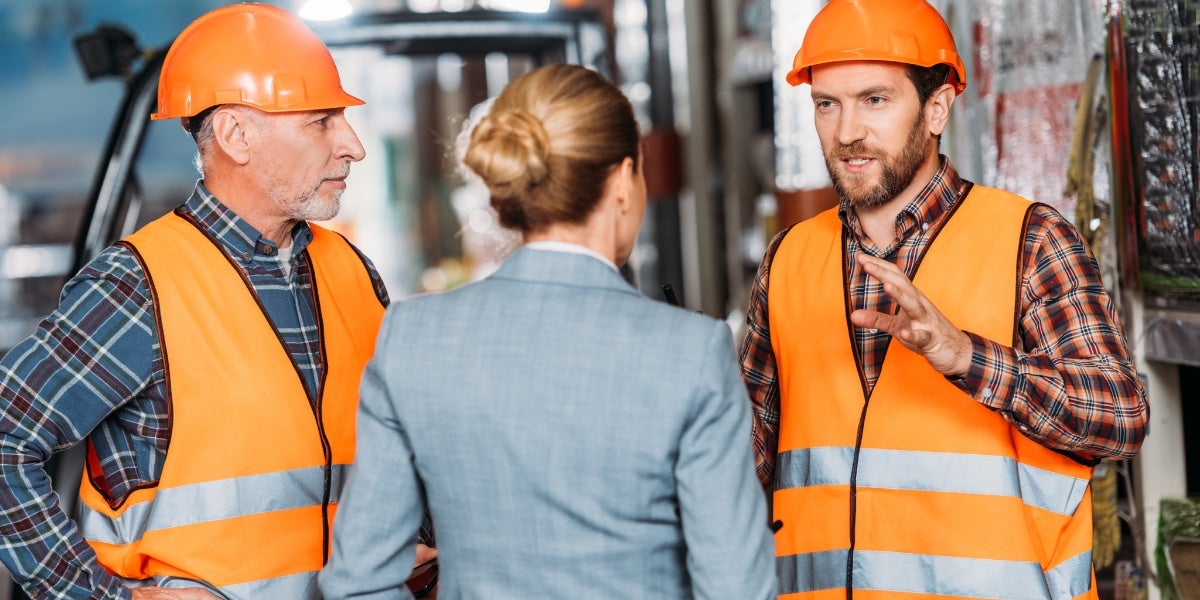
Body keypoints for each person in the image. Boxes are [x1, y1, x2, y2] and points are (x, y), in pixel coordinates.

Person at [319, 63, 776, 600]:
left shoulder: (413, 337)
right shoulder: (689, 352)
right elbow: (736, 589)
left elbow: (358, 583)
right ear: (622, 181)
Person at [740, 0, 1150, 598]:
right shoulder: (786, 261)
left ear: (937, 107)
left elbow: (1120, 418)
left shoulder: (1031, 242)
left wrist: (966, 357)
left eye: (874, 100)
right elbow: (743, 472)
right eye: (827, 104)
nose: (847, 131)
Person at [0, 4, 390, 599]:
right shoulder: (137, 287)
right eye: (322, 121)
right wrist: (108, 598)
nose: (353, 145)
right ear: (237, 136)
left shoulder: (353, 273)